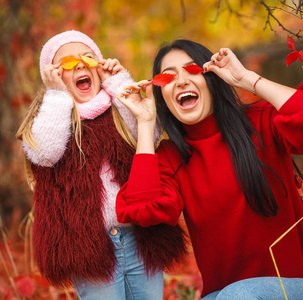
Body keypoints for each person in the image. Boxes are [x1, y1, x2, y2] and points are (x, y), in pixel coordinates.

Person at [116, 39, 303, 299]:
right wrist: (144, 122)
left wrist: (247, 78)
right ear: (161, 94)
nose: (182, 81)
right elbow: (143, 208)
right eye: (168, 77)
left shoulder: (261, 121)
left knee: (238, 294)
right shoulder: (171, 157)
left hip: (301, 289)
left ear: (212, 78)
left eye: (193, 70)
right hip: (224, 296)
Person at [16, 30, 187, 300]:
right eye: (69, 62)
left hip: (140, 237)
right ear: (53, 76)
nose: (81, 64)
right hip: (89, 246)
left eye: (88, 58)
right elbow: (46, 152)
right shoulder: (51, 115)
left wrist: (118, 83)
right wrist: (57, 95)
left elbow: (147, 135)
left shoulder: (117, 108)